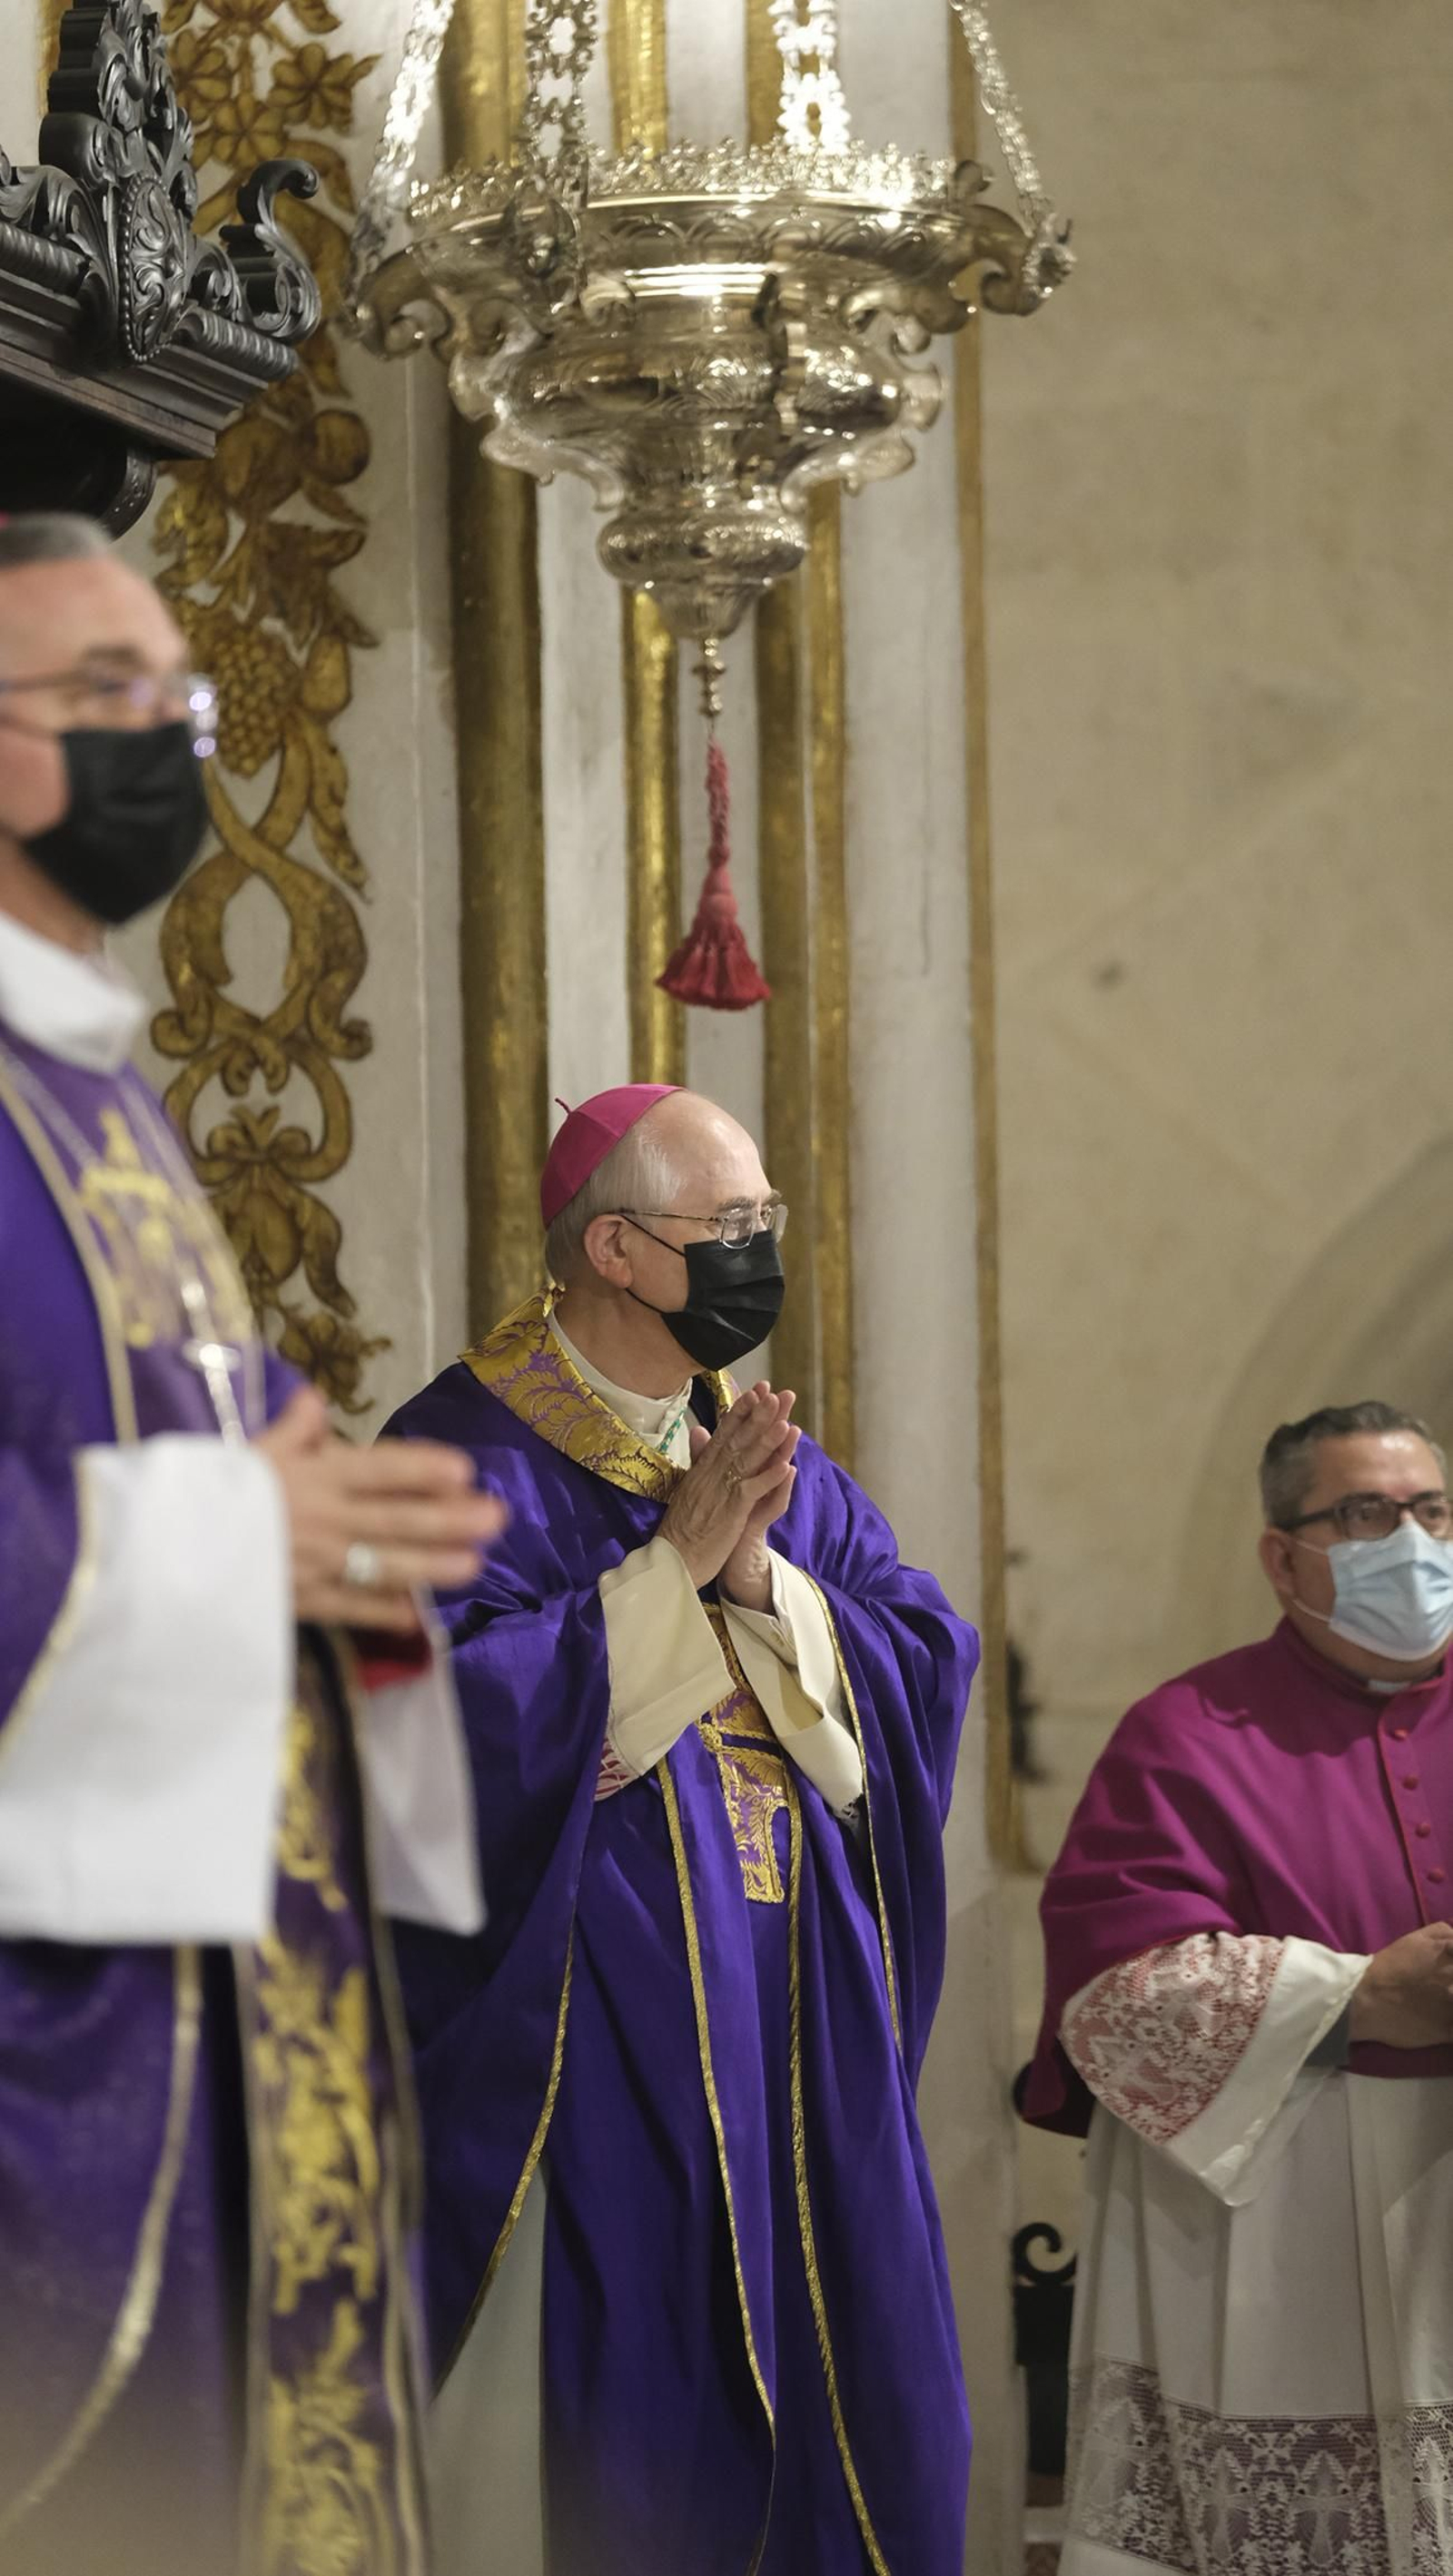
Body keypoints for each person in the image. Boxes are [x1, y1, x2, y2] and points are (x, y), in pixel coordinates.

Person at [0, 511, 505, 2575]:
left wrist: (331, 1578)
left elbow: (190, 1490)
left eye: (177, 702)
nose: (166, 747)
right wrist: (226, 1539)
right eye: (103, 700)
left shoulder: (95, 1081)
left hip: (207, 1970)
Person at [384, 1082, 979, 2576]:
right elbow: (416, 1734)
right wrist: (664, 1582)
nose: (759, 1253)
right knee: (616, 2449)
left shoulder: (759, 1446)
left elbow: (919, 1648)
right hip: (588, 2034)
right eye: (733, 1226)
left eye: (766, 1220)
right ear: (619, 1250)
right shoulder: (461, 1454)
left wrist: (769, 1584)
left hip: (805, 2022)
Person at [1023, 1399, 1453, 2576]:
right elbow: (1111, 1998)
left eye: (1431, 1510)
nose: (1411, 1542)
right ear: (1283, 1553)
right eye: (1366, 1513)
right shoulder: (1186, 1733)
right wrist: (1358, 1993)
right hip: (1277, 2226)